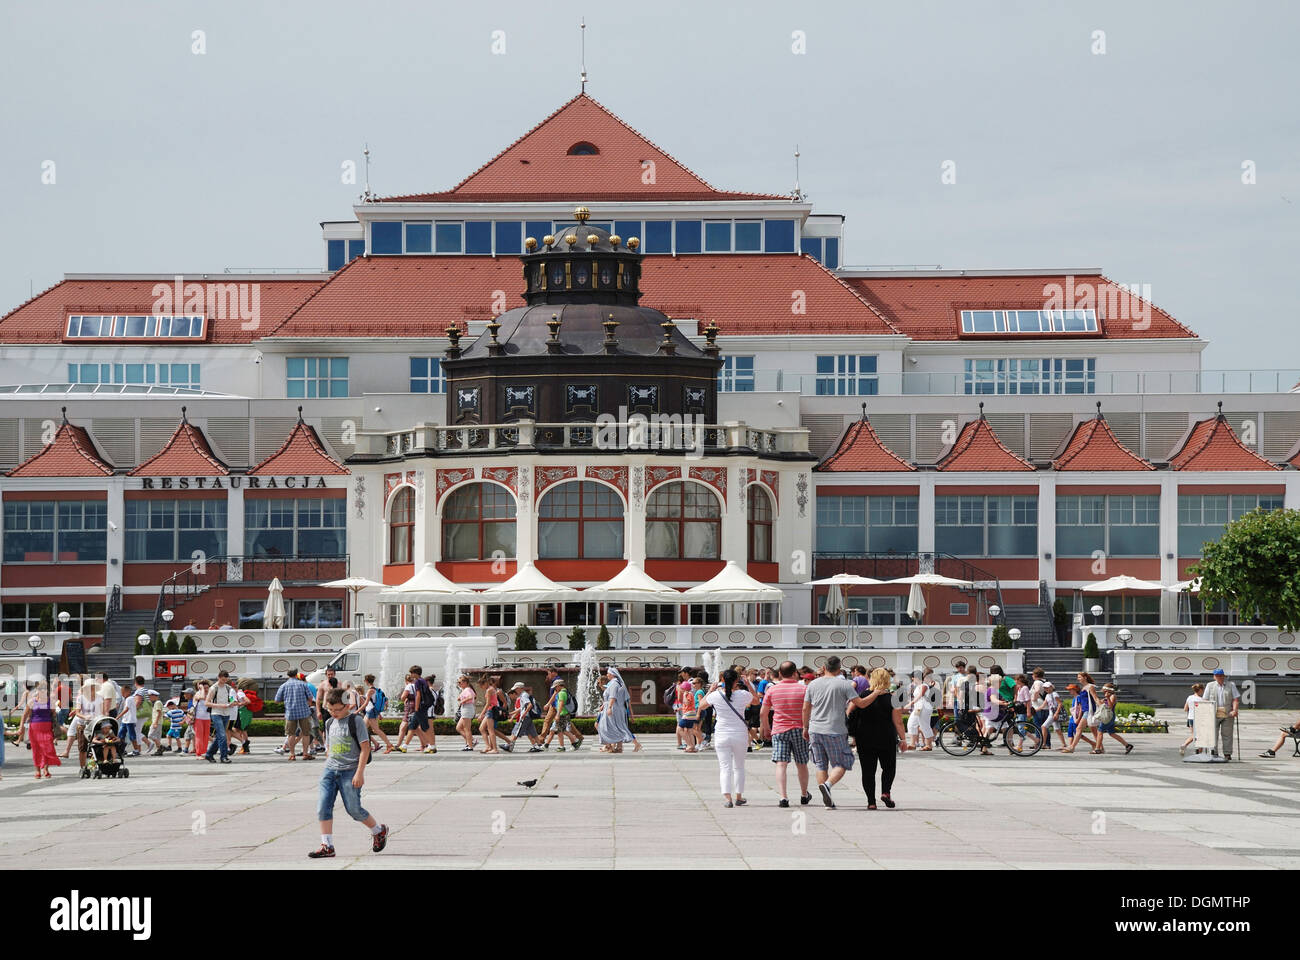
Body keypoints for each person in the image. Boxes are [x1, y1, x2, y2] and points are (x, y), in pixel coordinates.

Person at [308, 689, 388, 859]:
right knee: (323, 808)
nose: (334, 713)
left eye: (337, 709)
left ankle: (378, 831)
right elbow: (328, 747)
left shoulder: (356, 721)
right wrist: (329, 762)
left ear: (348, 705)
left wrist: (359, 773)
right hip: (330, 771)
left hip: (349, 771)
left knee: (354, 810)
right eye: (330, 709)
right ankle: (327, 846)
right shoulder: (329, 723)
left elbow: (365, 748)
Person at [846, 667, 909, 809]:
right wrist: (903, 740)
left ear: (871, 679)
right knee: (888, 767)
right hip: (886, 737)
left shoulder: (862, 695)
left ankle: (871, 802)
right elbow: (898, 722)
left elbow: (849, 712)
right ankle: (886, 792)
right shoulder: (892, 698)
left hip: (864, 737)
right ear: (887, 681)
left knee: (868, 770)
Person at [801, 656, 858, 809]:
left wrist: (805, 727)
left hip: (815, 729)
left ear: (824, 667)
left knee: (820, 765)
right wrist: (876, 693)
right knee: (843, 762)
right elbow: (860, 703)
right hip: (835, 729)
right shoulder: (844, 684)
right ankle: (828, 785)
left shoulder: (813, 684)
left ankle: (827, 800)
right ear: (839, 669)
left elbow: (806, 708)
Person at [758, 661, 812, 807]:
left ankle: (783, 797)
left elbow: (763, 713)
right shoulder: (804, 689)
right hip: (800, 730)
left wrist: (767, 729)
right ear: (795, 673)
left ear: (780, 674)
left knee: (781, 764)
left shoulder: (772, 690)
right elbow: (808, 710)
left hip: (780, 730)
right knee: (801, 763)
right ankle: (804, 794)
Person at [703, 669, 759, 808]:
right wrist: (748, 684)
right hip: (739, 734)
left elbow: (703, 705)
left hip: (722, 733)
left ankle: (727, 799)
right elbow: (756, 701)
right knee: (739, 767)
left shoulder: (716, 695)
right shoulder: (743, 694)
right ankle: (739, 796)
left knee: (725, 767)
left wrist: (711, 690)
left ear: (722, 681)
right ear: (737, 681)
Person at [22, 679, 62, 779]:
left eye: (44, 688)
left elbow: (53, 715)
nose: (43, 690)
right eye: (40, 688)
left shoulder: (51, 701)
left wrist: (55, 727)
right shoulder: (32, 701)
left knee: (48, 748)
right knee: (36, 750)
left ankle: (46, 769)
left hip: (47, 728)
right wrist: (20, 728)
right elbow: (25, 715)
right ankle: (37, 771)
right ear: (37, 689)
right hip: (34, 728)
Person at [274, 668, 315, 761]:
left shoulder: (284, 686)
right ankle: (305, 753)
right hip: (304, 712)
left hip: (290, 713)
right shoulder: (303, 684)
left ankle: (292, 754)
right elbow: (310, 697)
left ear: (288, 675)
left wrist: (286, 699)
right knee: (306, 733)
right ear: (296, 674)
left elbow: (276, 700)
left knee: (291, 734)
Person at [597, 666, 637, 752]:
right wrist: (604, 705)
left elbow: (613, 697)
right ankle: (615, 747)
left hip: (613, 708)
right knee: (615, 727)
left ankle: (612, 746)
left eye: (608, 673)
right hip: (612, 708)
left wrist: (610, 707)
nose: (607, 675)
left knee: (607, 727)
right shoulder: (613, 683)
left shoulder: (614, 684)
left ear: (612, 674)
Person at [1202, 668, 1240, 760]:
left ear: (1224, 676)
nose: (1219, 677)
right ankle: (1213, 752)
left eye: (1220, 675)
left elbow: (1235, 699)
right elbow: (1205, 699)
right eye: (1217, 676)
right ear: (1214, 677)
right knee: (1213, 733)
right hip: (1213, 712)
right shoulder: (1210, 685)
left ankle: (1227, 753)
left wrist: (1234, 710)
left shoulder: (1231, 685)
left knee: (1227, 733)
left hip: (1227, 712)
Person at [62, 679, 97, 765]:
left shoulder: (99, 697)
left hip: (95, 723)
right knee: (82, 747)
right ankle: (83, 767)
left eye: (93, 687)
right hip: (83, 723)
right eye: (91, 687)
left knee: (95, 746)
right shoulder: (81, 697)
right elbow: (78, 712)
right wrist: (84, 716)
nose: (92, 689)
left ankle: (93, 765)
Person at [205, 671, 238, 764]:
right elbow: (207, 703)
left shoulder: (228, 688)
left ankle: (209, 754)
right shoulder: (213, 688)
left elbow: (232, 700)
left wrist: (232, 703)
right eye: (223, 679)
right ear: (218, 677)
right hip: (216, 713)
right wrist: (220, 705)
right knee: (223, 735)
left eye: (226, 679)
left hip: (226, 714)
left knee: (220, 736)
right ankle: (224, 756)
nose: (224, 681)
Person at [501, 682, 543, 753]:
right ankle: (538, 746)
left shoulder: (523, 695)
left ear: (520, 688)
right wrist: (512, 713)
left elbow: (529, 705)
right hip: (528, 717)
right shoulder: (524, 695)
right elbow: (521, 708)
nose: (515, 690)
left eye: (516, 689)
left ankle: (509, 745)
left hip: (525, 717)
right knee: (531, 732)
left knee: (516, 731)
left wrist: (524, 714)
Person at [360, 675, 395, 754]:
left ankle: (389, 745)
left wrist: (357, 711)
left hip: (371, 712)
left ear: (366, 681)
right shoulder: (376, 690)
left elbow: (366, 703)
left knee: (376, 730)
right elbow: (378, 702)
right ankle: (374, 744)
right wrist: (379, 713)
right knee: (362, 729)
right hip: (371, 711)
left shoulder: (370, 691)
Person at [1096, 683, 1133, 754]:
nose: (1103, 691)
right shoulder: (1108, 696)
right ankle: (1127, 745)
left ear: (1108, 690)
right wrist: (1103, 700)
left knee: (1100, 732)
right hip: (1109, 716)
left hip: (1108, 716)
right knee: (1112, 733)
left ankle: (1097, 749)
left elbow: (1110, 706)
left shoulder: (1112, 696)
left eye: (1104, 690)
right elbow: (1101, 703)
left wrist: (1107, 698)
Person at [1061, 681, 1097, 753]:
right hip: (1073, 717)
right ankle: (1070, 746)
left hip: (1077, 717)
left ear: (1075, 690)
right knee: (1070, 732)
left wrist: (1078, 718)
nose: (1069, 691)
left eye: (1070, 689)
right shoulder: (1075, 698)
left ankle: (1092, 743)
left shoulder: (1079, 697)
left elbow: (1081, 708)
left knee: (1077, 731)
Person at [903, 670, 935, 750]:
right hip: (918, 708)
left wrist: (910, 704)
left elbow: (921, 695)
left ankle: (929, 745)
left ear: (915, 678)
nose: (912, 680)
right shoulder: (917, 686)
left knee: (925, 725)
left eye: (912, 678)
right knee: (911, 724)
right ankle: (913, 744)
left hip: (924, 708)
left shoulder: (924, 685)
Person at [115, 676, 147, 757]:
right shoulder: (128, 698)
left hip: (129, 720)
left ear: (126, 692)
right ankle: (121, 749)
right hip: (125, 720)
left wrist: (118, 717)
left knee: (132, 735)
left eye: (122, 692)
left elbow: (126, 709)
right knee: (121, 734)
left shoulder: (129, 698)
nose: (122, 694)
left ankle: (136, 750)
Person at [544, 678, 578, 751]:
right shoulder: (564, 691)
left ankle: (570, 743)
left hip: (562, 714)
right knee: (560, 730)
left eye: (556, 687)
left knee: (561, 731)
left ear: (559, 686)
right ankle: (571, 743)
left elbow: (561, 704)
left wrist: (557, 715)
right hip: (564, 714)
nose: (555, 688)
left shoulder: (562, 693)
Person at [477, 675, 504, 754]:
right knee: (481, 728)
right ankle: (488, 746)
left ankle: (495, 749)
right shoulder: (491, 689)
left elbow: (488, 703)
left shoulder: (489, 690)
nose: (481, 688)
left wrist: (481, 714)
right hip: (491, 710)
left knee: (490, 730)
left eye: (481, 686)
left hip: (490, 710)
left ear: (485, 683)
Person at [678, 671, 701, 753]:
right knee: (689, 731)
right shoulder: (690, 694)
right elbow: (688, 705)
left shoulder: (688, 694)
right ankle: (692, 747)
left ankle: (689, 745)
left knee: (680, 729)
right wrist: (680, 709)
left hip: (688, 715)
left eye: (681, 688)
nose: (680, 689)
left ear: (684, 689)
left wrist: (684, 695)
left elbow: (687, 702)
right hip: (690, 714)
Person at [454, 676, 477, 751]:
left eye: (460, 682)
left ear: (465, 682)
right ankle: (471, 741)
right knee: (459, 727)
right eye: (458, 682)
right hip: (466, 709)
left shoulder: (467, 689)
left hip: (467, 709)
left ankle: (470, 745)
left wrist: (462, 701)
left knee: (467, 729)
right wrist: (461, 698)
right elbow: (472, 695)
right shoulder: (466, 689)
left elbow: (471, 697)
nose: (458, 684)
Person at [191, 680, 211, 758]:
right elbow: (202, 697)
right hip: (198, 718)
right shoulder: (197, 694)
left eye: (207, 688)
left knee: (206, 737)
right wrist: (201, 689)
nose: (206, 689)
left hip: (207, 718)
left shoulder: (209, 695)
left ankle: (204, 752)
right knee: (199, 736)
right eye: (204, 688)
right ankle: (198, 753)